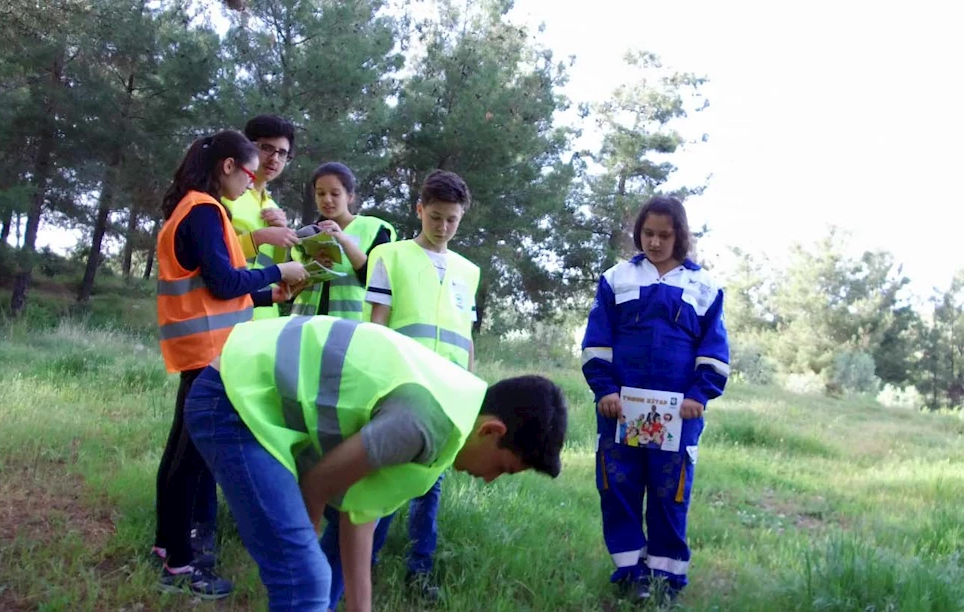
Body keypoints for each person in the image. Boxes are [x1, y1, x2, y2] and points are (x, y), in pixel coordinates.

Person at [183, 314, 568, 612]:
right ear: (491, 432)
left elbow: (360, 516)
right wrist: (302, 545)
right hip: (231, 398)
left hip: (247, 393)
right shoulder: (424, 423)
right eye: (502, 468)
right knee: (306, 580)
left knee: (316, 573)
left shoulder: (455, 409)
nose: (489, 480)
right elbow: (316, 486)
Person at [153, 130, 311, 599]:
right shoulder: (204, 209)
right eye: (248, 173)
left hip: (202, 348)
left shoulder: (194, 207)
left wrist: (268, 292)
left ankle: (168, 546)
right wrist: (278, 270)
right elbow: (223, 283)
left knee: (180, 455)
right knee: (190, 461)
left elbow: (215, 286)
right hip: (207, 353)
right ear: (228, 167)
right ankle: (182, 566)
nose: (251, 182)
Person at [322, 169, 476, 606]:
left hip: (449, 396)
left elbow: (467, 337)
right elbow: (377, 325)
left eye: (452, 220)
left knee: (431, 488)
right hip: (403, 394)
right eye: (436, 217)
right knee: (381, 486)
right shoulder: (390, 255)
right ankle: (355, 570)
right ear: (420, 210)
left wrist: (471, 391)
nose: (443, 227)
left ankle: (419, 570)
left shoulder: (468, 271)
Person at [580, 195, 730, 603]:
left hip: (678, 417)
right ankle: (632, 574)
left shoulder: (704, 286)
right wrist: (605, 389)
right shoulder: (616, 278)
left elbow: (714, 351)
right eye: (648, 233)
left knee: (670, 495)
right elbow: (596, 344)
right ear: (639, 232)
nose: (656, 242)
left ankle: (666, 581)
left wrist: (700, 395)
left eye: (665, 235)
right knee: (619, 489)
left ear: (680, 235)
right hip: (619, 411)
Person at [291, 162, 396, 319]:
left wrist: (344, 241)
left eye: (335, 194)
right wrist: (312, 267)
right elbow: (289, 291)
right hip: (305, 326)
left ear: (350, 196)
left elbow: (379, 283)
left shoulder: (374, 229)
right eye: (321, 193)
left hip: (352, 327)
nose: (327, 200)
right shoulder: (304, 235)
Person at [222, 114, 302, 321]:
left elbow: (273, 271)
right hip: (226, 313)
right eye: (267, 148)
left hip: (266, 316)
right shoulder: (224, 196)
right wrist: (260, 237)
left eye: (283, 153)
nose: (275, 158)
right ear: (246, 147)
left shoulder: (274, 209)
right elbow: (210, 257)